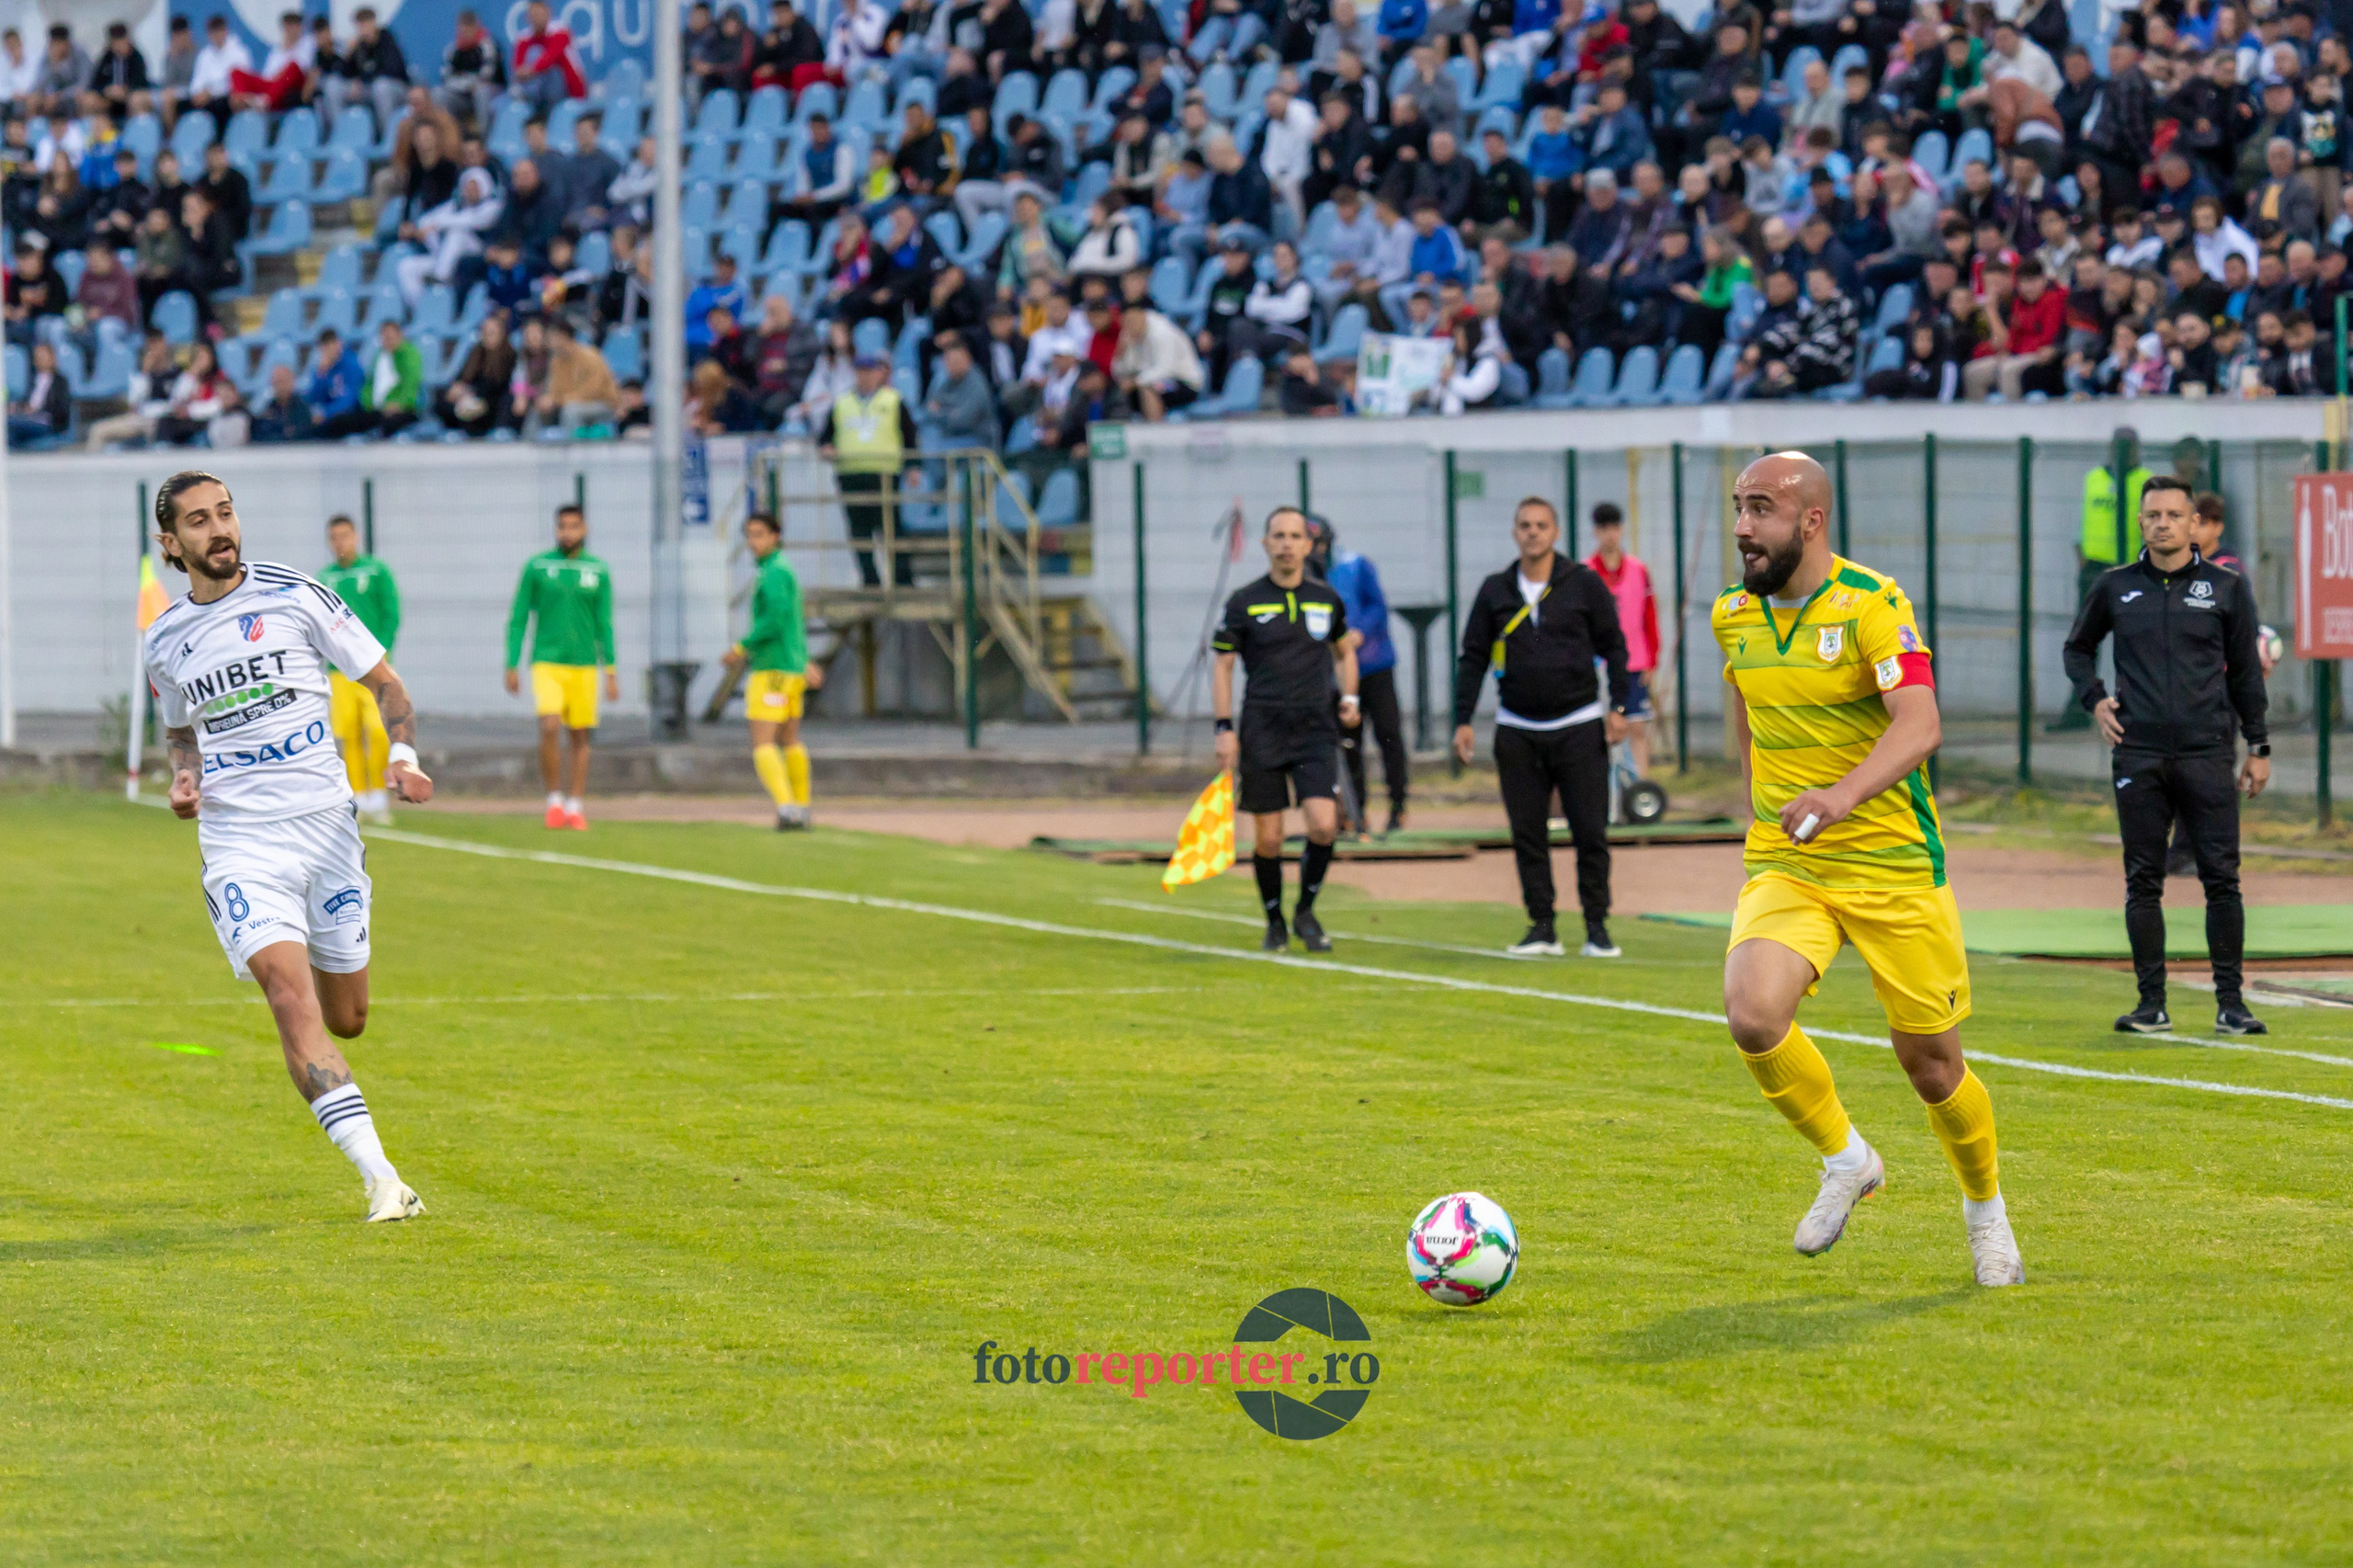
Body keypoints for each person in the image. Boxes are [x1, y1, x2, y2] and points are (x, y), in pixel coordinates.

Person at [1711, 451, 2020, 1288]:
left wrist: (1840, 795)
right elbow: (1742, 699)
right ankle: (1847, 1160)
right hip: (1792, 860)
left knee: (1931, 1065)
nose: (1743, 525)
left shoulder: (1873, 606)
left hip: (1890, 864)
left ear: (1810, 520)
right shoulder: (1732, 615)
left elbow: (1919, 725)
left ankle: (1984, 1210)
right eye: (1739, 507)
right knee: (1751, 1014)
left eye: (1762, 508)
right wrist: (1758, 798)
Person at [141, 471, 433, 1222]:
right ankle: (382, 1179)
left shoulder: (296, 594)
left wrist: (402, 757)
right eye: (200, 521)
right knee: (286, 996)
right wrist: (183, 777)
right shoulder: (166, 640)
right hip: (241, 842)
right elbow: (180, 734)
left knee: (349, 1017)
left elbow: (386, 685)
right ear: (172, 544)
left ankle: (371, 1158)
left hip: (328, 831)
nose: (220, 529)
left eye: (226, 512)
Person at [2062, 476, 2272, 1039]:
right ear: (2140, 523)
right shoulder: (2115, 586)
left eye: (2174, 515)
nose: (2163, 524)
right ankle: (2150, 1003)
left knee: (2222, 879)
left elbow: (2247, 674)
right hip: (2139, 754)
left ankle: (2232, 1004)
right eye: (2153, 515)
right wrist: (2095, 699)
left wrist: (2259, 746)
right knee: (2143, 880)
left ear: (2193, 523)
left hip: (2208, 752)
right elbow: (2077, 648)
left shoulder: (2226, 588)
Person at [1452, 497, 1631, 960]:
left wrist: (1620, 706)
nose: (1533, 533)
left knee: (1590, 830)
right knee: (1527, 832)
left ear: (1555, 533)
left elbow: (1614, 646)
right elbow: (1472, 656)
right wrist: (1462, 719)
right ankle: (1542, 925)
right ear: (1515, 533)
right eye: (1525, 525)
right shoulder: (1495, 589)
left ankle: (1597, 926)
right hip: (1516, 726)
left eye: (1541, 526)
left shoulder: (1583, 584)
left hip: (1579, 723)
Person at [1211, 506, 1362, 954]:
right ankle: (1274, 920)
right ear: (1265, 544)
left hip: (1315, 727)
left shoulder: (1326, 598)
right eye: (1278, 535)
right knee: (1270, 838)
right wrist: (1224, 728)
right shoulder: (1244, 601)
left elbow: (1345, 651)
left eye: (1295, 536)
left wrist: (1349, 698)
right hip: (1263, 727)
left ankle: (1306, 912)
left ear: (1309, 545)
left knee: (1323, 825)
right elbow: (1222, 666)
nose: (1287, 544)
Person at [503, 505, 618, 831]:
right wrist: (511, 662)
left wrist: (610, 669)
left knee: (580, 734)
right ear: (556, 530)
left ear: (585, 529)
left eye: (574, 526)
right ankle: (553, 799)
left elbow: (604, 622)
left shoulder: (598, 570)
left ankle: (575, 804)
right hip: (547, 661)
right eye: (562, 526)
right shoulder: (538, 567)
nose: (567, 532)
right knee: (550, 725)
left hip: (584, 664)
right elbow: (519, 616)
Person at [720, 513, 825, 830]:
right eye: (750, 535)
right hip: (790, 669)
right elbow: (792, 623)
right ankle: (802, 807)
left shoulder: (774, 573)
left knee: (763, 741)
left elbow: (776, 620)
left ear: (775, 536)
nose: (754, 542)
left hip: (772, 671)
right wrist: (803, 661)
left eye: (760, 535)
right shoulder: (779, 569)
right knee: (790, 739)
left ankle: (787, 807)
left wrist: (741, 646)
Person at [1315, 522, 1408, 834]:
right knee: (1348, 744)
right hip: (1338, 675)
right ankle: (1358, 813)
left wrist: (1359, 633)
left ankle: (1398, 806)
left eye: (1319, 542)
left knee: (1389, 736)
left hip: (1374, 666)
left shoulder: (1355, 565)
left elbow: (1377, 606)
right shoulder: (1307, 578)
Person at [318, 516, 402, 824]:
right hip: (339, 670)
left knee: (378, 730)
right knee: (349, 733)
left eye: (344, 536)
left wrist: (383, 652)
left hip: (371, 666)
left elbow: (391, 612)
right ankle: (358, 797)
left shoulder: (376, 571)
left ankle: (379, 794)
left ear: (355, 536)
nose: (340, 542)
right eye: (334, 537)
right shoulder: (324, 578)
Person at [816, 353, 917, 587]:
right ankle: (870, 579)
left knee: (892, 529)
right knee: (859, 531)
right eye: (860, 371)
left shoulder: (893, 400)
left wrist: (913, 466)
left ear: (879, 374)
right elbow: (825, 436)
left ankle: (903, 579)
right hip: (850, 474)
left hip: (884, 473)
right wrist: (826, 448)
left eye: (869, 371)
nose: (865, 376)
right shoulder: (842, 403)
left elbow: (909, 436)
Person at [1585, 503, 1660, 773]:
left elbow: (1649, 617)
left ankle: (1639, 790)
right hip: (1596, 663)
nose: (1610, 534)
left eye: (1614, 527)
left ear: (1621, 529)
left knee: (1636, 726)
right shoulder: (1585, 573)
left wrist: (1652, 660)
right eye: (1603, 528)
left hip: (1634, 662)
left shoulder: (1638, 570)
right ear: (1595, 531)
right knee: (1601, 729)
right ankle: (1605, 788)